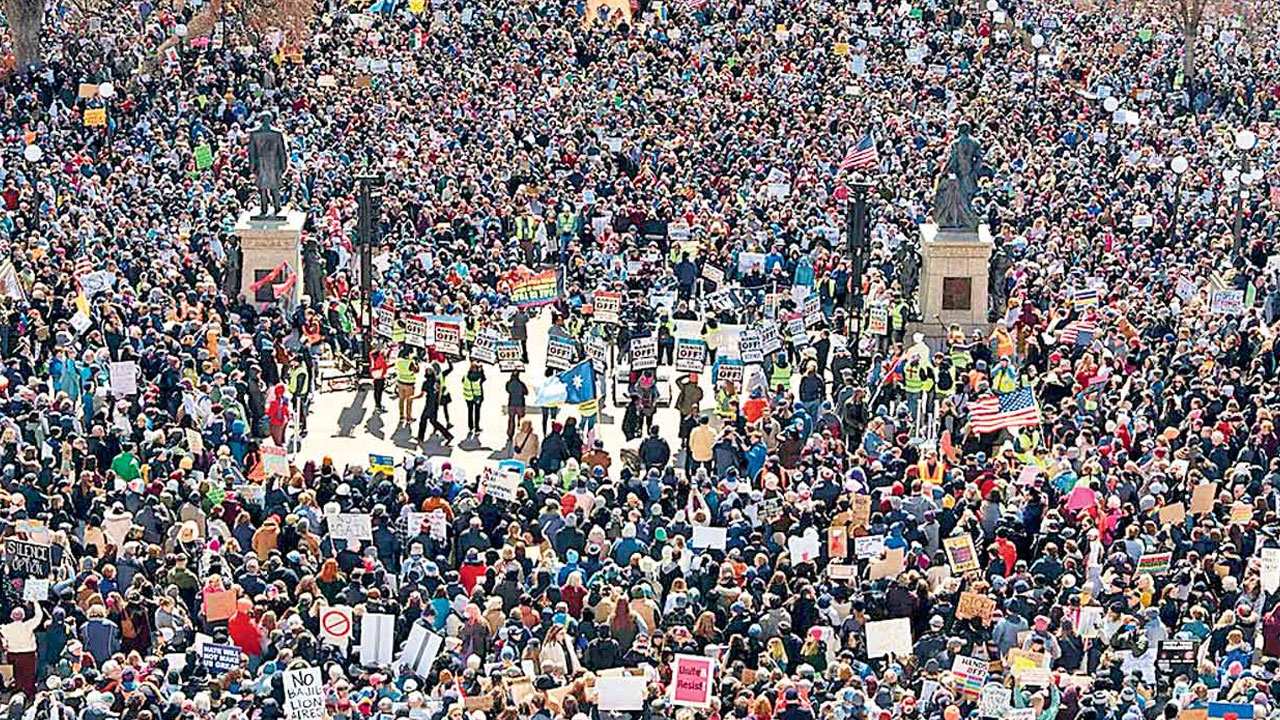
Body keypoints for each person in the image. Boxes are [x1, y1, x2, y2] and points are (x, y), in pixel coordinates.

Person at [462, 361, 487, 436]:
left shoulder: (466, 376)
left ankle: (470, 427)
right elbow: (484, 379)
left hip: (468, 397)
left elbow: (462, 382)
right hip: (477, 397)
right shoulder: (479, 376)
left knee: (470, 412)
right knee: (477, 412)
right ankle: (477, 427)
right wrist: (482, 370)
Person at [505, 370, 528, 449]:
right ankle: (521, 433)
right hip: (520, 404)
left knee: (511, 420)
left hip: (511, 403)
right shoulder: (521, 384)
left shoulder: (509, 383)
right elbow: (526, 392)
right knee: (521, 420)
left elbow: (507, 390)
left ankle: (510, 434)